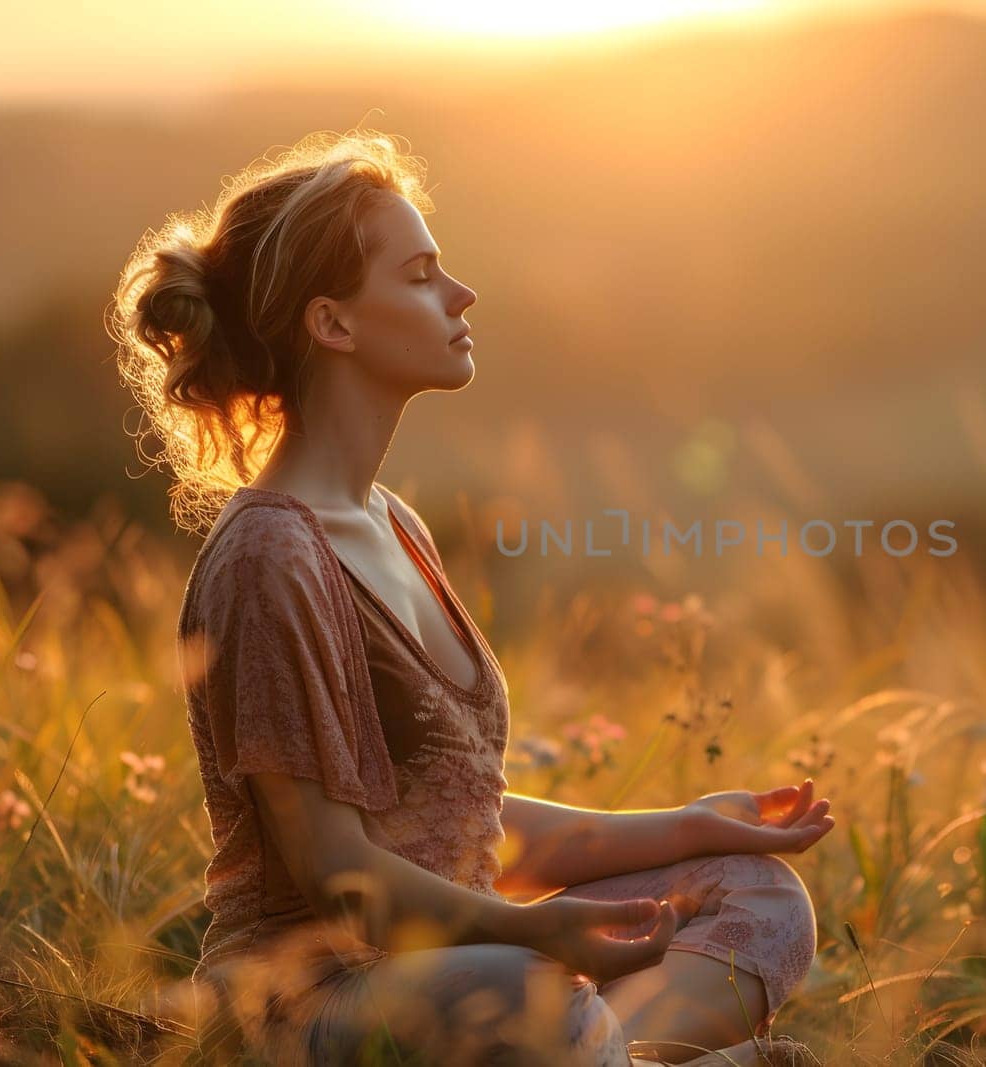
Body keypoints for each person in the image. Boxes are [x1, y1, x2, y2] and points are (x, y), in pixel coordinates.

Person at [108, 129, 834, 1066]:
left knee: (756, 893)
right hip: (308, 1004)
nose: (461, 294)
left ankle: (617, 1055)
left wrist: (692, 822)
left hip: (459, 970)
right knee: (530, 990)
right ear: (332, 324)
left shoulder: (392, 522)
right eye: (419, 275)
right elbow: (339, 873)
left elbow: (467, 825)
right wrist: (538, 936)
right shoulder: (269, 555)